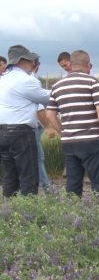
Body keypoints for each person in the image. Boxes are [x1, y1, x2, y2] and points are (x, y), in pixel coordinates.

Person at [46, 50, 99, 197]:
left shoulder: (57, 86)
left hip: (69, 143)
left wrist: (63, 132)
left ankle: (72, 215)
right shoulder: (92, 82)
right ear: (88, 65)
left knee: (73, 183)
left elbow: (50, 114)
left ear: (72, 64)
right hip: (92, 140)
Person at [0, 45, 51, 197]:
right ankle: (28, 215)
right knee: (29, 176)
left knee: (10, 176)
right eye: (31, 60)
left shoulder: (3, 79)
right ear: (22, 61)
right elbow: (48, 98)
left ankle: (8, 215)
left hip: (3, 132)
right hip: (21, 133)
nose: (33, 63)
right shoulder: (26, 80)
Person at [32, 58, 56, 192]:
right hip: (31, 127)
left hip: (34, 125)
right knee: (38, 157)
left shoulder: (32, 78)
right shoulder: (32, 80)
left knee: (37, 157)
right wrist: (48, 126)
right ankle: (46, 186)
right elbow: (39, 108)